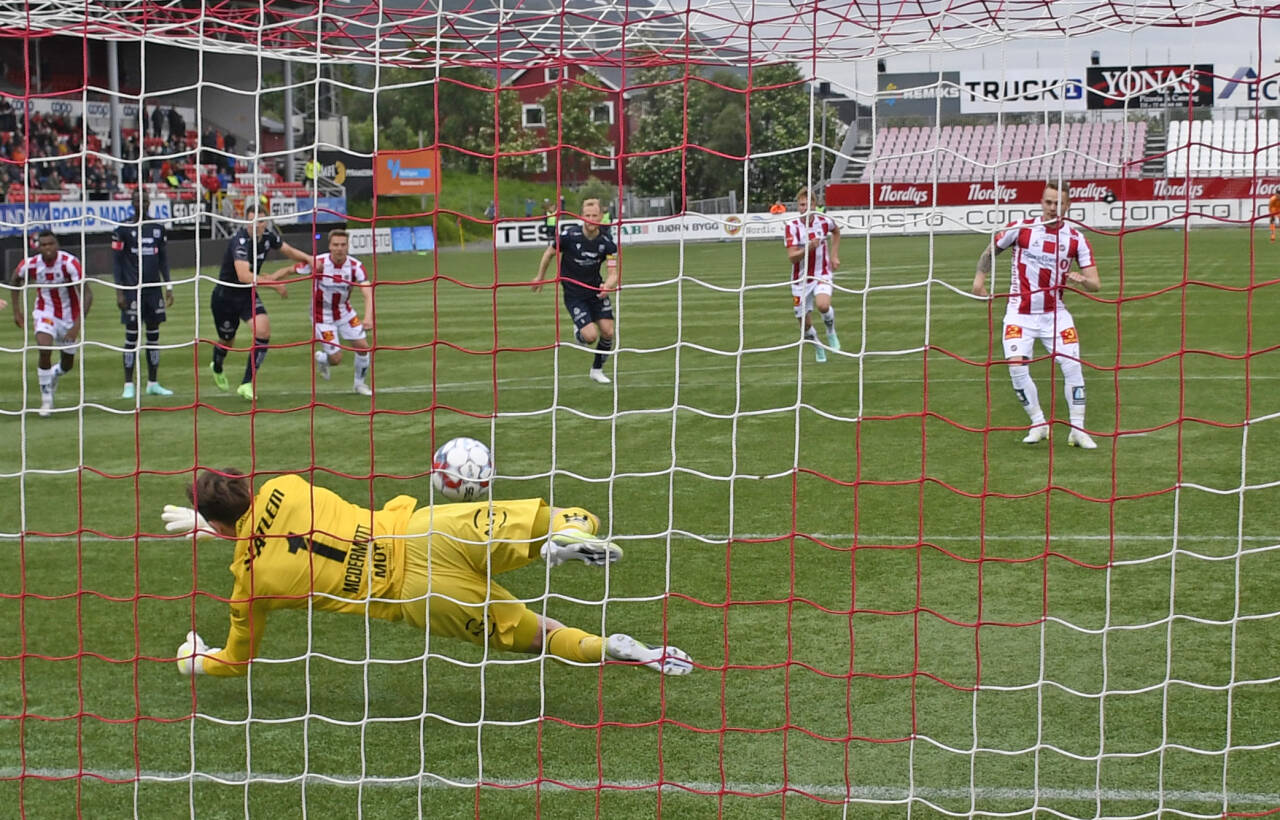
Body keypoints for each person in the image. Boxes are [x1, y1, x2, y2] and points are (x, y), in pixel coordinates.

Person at [161, 469, 693, 678]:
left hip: (418, 594)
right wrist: (215, 521)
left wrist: (194, 661)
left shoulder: (249, 585)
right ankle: (562, 539)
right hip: (426, 529)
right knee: (563, 518)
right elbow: (285, 524)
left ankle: (619, 649)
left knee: (539, 634)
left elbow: (236, 659)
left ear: (218, 525)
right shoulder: (286, 485)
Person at [972, 180, 1102, 449]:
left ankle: (1078, 429)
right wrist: (979, 280)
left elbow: (1095, 283)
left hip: (1056, 315)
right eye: (1048, 202)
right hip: (1019, 314)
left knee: (1072, 367)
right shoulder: (1021, 228)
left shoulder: (1076, 239)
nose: (1053, 208)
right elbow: (990, 250)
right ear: (1042, 202)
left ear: (1068, 206)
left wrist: (1081, 280)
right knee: (1016, 366)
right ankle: (1038, 423)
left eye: (1059, 204)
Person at [208, 199, 311, 400]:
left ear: (266, 223)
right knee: (228, 340)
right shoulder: (240, 242)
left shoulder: (268, 237)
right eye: (251, 221)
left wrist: (309, 259)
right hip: (225, 297)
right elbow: (243, 275)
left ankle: (247, 383)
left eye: (260, 221)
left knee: (263, 330)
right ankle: (217, 365)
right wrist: (272, 284)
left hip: (247, 294)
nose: (256, 225)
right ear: (246, 222)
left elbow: (288, 251)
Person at [268, 228, 375, 395]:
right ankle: (324, 358)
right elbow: (290, 270)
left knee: (363, 347)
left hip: (345, 312)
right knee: (336, 359)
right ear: (330, 246)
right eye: (336, 245)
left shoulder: (356, 267)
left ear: (348, 247)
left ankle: (359, 384)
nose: (339, 248)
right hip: (321, 316)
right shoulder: (319, 263)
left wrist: (368, 317)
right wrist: (270, 280)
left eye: (343, 245)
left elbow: (367, 291)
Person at [532, 197, 618, 384]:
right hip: (574, 294)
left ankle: (596, 370)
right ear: (581, 216)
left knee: (608, 332)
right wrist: (540, 277)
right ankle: (579, 331)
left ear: (600, 217)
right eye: (587, 215)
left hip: (595, 291)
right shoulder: (569, 236)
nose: (590, 219)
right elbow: (549, 253)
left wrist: (608, 286)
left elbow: (613, 273)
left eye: (594, 215)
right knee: (590, 337)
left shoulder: (607, 242)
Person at [11, 231, 93, 417]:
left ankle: (55, 373)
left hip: (69, 317)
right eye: (44, 245)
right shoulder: (31, 264)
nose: (47, 248)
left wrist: (76, 327)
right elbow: (15, 280)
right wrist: (17, 312)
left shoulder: (69, 263)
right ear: (38, 247)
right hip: (44, 312)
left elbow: (87, 294)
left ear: (57, 245)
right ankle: (46, 399)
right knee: (44, 348)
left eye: (51, 244)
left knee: (67, 364)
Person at [112, 189, 174, 399]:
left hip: (153, 290)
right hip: (132, 292)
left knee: (153, 337)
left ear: (149, 203)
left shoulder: (157, 227)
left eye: (145, 200)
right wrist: (119, 291)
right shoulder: (122, 228)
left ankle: (153, 383)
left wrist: (169, 286)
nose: (142, 203)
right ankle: (128, 385)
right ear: (132, 203)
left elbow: (164, 260)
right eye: (138, 200)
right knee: (132, 337)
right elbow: (117, 262)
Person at [783, 186, 841, 363]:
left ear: (815, 205)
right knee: (805, 326)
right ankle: (818, 346)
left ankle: (831, 332)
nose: (804, 208)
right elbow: (792, 258)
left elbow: (836, 231)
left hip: (821, 272)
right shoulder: (792, 227)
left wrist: (834, 255)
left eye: (807, 204)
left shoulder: (823, 221)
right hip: (800, 281)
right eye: (801, 205)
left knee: (823, 305)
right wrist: (808, 247)